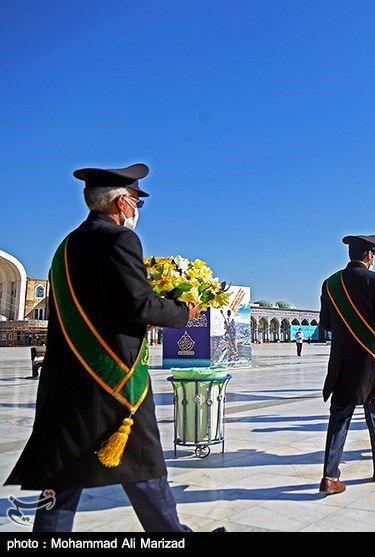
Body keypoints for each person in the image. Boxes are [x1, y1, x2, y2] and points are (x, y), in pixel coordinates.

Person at [4, 163, 216, 532]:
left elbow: (101, 309)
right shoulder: (120, 240)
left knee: (63, 480)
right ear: (121, 203)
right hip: (113, 383)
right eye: (136, 201)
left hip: (65, 382)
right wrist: (185, 312)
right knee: (144, 468)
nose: (136, 209)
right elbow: (139, 305)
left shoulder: (65, 248)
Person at [318, 234, 375, 495]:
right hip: (372, 360)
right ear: (369, 256)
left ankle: (329, 476)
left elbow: (325, 324)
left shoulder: (330, 283)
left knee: (339, 418)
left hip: (342, 361)